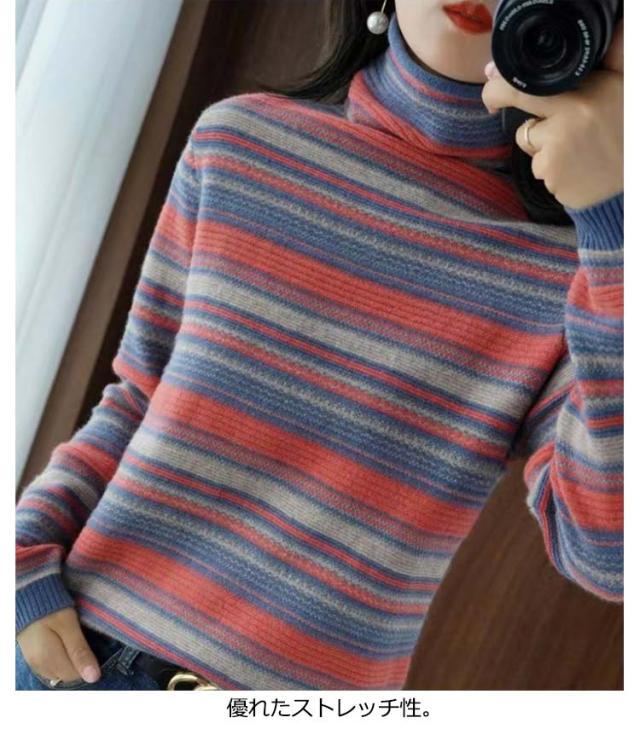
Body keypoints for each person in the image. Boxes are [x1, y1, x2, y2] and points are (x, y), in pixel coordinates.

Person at [15, 0, 623, 691]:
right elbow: (137, 397)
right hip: (87, 661)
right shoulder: (238, 144)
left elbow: (607, 556)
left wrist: (614, 227)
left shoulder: (581, 275)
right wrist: (22, 555)